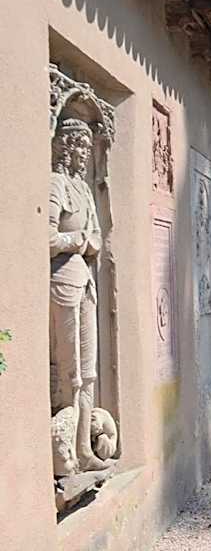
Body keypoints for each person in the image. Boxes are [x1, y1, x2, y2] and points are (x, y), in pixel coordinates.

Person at [49, 117, 108, 472]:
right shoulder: (55, 184)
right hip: (61, 283)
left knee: (88, 373)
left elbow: (98, 237)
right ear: (67, 147)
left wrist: (85, 242)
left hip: (85, 282)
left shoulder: (84, 190)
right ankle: (64, 451)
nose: (85, 153)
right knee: (68, 372)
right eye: (81, 146)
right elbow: (47, 237)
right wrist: (79, 242)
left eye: (88, 146)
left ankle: (85, 448)